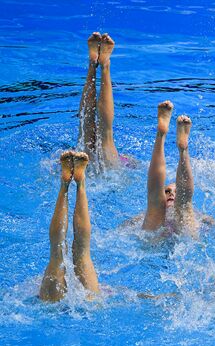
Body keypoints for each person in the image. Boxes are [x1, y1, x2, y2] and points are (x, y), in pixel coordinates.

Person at [39, 151, 99, 302]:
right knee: (83, 253)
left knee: (56, 254)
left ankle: (64, 185)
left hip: (50, 306)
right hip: (87, 309)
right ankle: (81, 184)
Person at [140, 101, 200, 237]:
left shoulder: (140, 217)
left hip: (155, 240)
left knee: (179, 206)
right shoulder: (201, 216)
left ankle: (162, 136)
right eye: (167, 191)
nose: (171, 194)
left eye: (175, 191)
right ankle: (183, 150)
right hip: (184, 242)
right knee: (181, 205)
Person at [78, 32, 132, 170]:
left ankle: (93, 64)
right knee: (104, 135)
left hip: (84, 169)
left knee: (86, 129)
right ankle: (104, 65)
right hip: (110, 170)